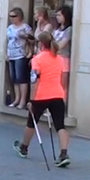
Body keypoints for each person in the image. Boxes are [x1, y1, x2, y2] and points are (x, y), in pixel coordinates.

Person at [13, 32, 70, 168]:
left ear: (40, 44)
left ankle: (24, 147)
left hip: (41, 95)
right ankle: (63, 154)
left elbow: (34, 81)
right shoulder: (59, 59)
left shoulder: (37, 59)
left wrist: (31, 100)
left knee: (31, 123)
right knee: (60, 125)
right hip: (57, 94)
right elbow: (62, 79)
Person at [6, 8, 32, 109]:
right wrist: (6, 53)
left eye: (14, 16)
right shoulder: (9, 28)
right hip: (11, 54)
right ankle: (16, 99)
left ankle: (22, 100)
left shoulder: (25, 27)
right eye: (10, 16)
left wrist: (25, 36)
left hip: (21, 54)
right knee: (14, 78)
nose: (11, 18)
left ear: (19, 17)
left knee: (21, 78)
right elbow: (7, 42)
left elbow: (33, 40)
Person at [53, 6, 72, 103]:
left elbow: (61, 45)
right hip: (54, 58)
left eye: (59, 15)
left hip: (63, 58)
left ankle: (62, 104)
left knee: (62, 84)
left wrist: (52, 46)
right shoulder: (56, 29)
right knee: (54, 83)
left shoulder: (69, 30)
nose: (57, 17)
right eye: (56, 15)